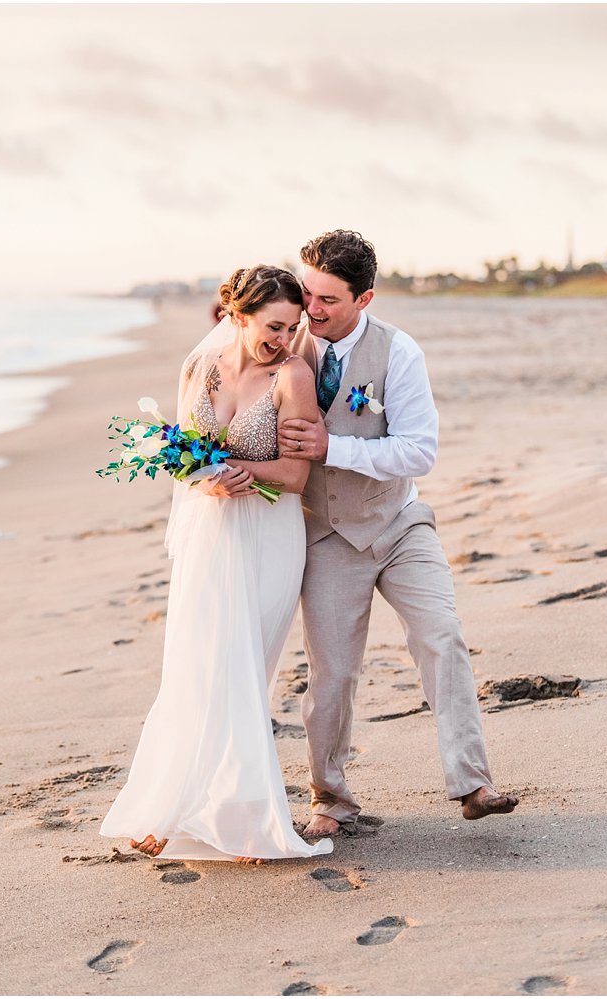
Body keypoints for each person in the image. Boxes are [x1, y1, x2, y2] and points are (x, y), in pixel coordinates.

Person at [277, 230, 517, 838]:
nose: (313, 308)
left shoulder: (399, 352)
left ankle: (473, 783)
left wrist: (336, 445)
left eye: (329, 299)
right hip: (327, 534)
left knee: (443, 636)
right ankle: (329, 798)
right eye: (309, 292)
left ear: (366, 298)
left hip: (401, 523)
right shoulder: (285, 348)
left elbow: (419, 451)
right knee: (332, 673)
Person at [98, 265, 333, 863]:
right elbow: (181, 451)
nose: (284, 338)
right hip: (209, 535)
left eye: (293, 327)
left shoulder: (294, 377)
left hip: (269, 536)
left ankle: (246, 820)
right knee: (194, 668)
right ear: (237, 316)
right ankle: (167, 810)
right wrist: (205, 481)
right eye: (274, 327)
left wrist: (239, 476)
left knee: (244, 675)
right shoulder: (198, 368)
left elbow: (295, 473)